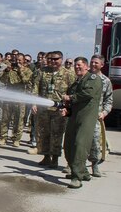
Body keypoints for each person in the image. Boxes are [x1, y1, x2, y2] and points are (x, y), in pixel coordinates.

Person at [60, 57, 102, 188]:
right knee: (68, 145)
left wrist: (71, 97)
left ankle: (77, 178)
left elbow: (87, 94)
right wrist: (66, 110)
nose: (77, 67)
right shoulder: (74, 84)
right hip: (74, 118)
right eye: (75, 66)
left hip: (86, 118)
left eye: (80, 65)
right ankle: (82, 172)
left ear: (86, 66)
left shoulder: (94, 79)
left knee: (80, 145)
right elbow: (70, 103)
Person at [29, 51, 75, 168]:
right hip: (43, 110)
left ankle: (55, 158)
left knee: (57, 134)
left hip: (59, 110)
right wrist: (34, 103)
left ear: (62, 59)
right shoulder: (42, 72)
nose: (53, 61)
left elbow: (72, 91)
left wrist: (67, 108)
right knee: (43, 133)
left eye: (56, 59)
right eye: (50, 59)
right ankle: (46, 157)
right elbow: (35, 87)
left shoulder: (68, 74)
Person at [87, 55, 113, 177]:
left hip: (96, 117)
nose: (93, 64)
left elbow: (109, 101)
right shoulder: (84, 77)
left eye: (96, 63)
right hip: (82, 115)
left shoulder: (106, 81)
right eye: (92, 62)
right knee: (78, 141)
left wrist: (104, 113)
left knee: (95, 142)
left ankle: (95, 165)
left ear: (102, 65)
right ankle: (72, 165)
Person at [0, 54, 32, 146]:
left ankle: (16, 139)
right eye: (16, 60)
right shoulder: (10, 69)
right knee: (5, 118)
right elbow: (2, 80)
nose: (17, 62)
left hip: (20, 98)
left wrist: (20, 70)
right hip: (9, 96)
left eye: (20, 60)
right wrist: (6, 71)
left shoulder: (27, 71)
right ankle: (3, 137)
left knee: (19, 119)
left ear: (23, 61)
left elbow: (26, 81)